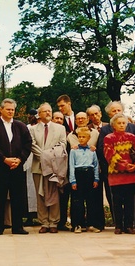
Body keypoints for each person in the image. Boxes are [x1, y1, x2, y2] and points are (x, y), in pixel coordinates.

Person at [0, 98, 32, 236]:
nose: (11, 111)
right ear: (1, 110)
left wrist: (19, 159)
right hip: (1, 167)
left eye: (12, 109)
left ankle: (17, 226)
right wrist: (4, 159)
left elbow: (28, 144)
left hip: (17, 167)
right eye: (8, 109)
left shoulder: (21, 126)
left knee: (18, 197)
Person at [104, 113, 135, 235]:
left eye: (124, 123)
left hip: (131, 176)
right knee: (117, 201)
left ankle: (129, 225)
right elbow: (109, 155)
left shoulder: (132, 137)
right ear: (113, 125)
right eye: (119, 123)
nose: (122, 125)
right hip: (115, 175)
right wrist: (126, 165)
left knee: (130, 201)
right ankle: (118, 226)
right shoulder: (109, 138)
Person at [30, 102, 67, 234]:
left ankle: (53, 222)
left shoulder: (60, 128)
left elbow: (62, 144)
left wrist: (49, 158)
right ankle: (44, 222)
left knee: (53, 194)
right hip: (38, 166)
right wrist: (45, 156)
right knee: (40, 195)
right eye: (45, 111)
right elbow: (32, 145)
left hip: (54, 167)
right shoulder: (32, 129)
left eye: (50, 111)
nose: (48, 113)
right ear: (39, 114)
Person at [68, 127, 100, 233]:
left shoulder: (92, 150)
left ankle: (91, 223)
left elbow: (96, 165)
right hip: (78, 173)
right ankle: (77, 224)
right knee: (78, 201)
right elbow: (71, 165)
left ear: (88, 138)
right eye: (79, 137)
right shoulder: (74, 150)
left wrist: (96, 178)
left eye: (83, 137)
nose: (81, 139)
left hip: (89, 174)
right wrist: (73, 180)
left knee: (91, 201)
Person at [56, 94, 76, 231]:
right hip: (63, 161)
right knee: (63, 193)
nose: (60, 109)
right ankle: (61, 221)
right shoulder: (58, 122)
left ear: (69, 104)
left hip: (78, 161)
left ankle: (77, 222)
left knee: (77, 194)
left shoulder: (81, 117)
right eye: (58, 107)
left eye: (62, 105)